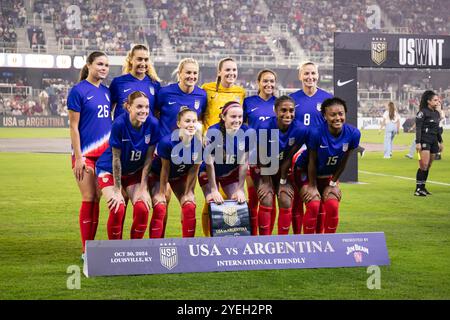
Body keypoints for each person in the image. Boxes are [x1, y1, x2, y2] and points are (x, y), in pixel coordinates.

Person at [95, 91, 159, 240]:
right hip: (109, 169)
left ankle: (134, 249)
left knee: (143, 208)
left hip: (133, 172)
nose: (144, 110)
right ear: (129, 107)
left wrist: (143, 188)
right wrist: (117, 190)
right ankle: (115, 250)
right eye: (139, 106)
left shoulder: (153, 124)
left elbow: (149, 158)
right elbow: (116, 158)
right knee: (117, 207)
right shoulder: (119, 124)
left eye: (147, 107)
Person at [291, 97, 361, 233]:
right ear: (324, 116)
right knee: (314, 204)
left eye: (341, 114)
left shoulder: (353, 134)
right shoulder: (316, 132)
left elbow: (344, 161)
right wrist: (312, 186)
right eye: (333, 114)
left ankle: (329, 246)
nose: (337, 118)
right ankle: (309, 245)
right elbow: (311, 161)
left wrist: (333, 184)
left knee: (333, 206)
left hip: (328, 175)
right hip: (305, 171)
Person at [67, 51, 111, 258]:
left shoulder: (107, 91)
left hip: (104, 156)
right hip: (85, 155)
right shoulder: (78, 91)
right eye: (100, 64)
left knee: (98, 199)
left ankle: (92, 248)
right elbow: (74, 127)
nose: (103, 68)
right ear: (89, 65)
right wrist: (78, 158)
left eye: (106, 65)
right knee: (89, 197)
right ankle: (86, 249)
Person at [200, 57, 246, 236]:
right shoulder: (207, 89)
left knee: (231, 200)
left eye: (234, 70)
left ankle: (227, 239)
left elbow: (239, 117)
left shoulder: (240, 92)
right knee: (211, 199)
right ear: (219, 72)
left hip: (230, 152)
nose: (231, 73)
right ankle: (207, 238)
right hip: (210, 145)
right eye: (227, 70)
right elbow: (199, 114)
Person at [252, 95, 308, 235]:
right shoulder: (264, 126)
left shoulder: (300, 129)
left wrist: (282, 181)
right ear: (275, 111)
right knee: (266, 198)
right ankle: (264, 241)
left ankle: (281, 242)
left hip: (282, 168)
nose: (288, 114)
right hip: (262, 166)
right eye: (283, 110)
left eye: (291, 110)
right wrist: (266, 182)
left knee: (286, 199)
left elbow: (289, 157)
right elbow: (261, 155)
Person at [148, 107, 202, 238]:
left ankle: (188, 247)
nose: (191, 124)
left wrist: (189, 192)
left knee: (189, 205)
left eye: (194, 121)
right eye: (187, 121)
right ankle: (155, 246)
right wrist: (161, 192)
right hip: (157, 175)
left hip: (178, 176)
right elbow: (164, 169)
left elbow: (194, 170)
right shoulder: (167, 142)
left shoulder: (199, 143)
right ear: (179, 124)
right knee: (160, 205)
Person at [199, 102, 249, 234]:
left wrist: (240, 189)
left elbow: (244, 164)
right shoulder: (213, 132)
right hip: (209, 172)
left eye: (240, 117)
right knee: (212, 201)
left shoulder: (248, 132)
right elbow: (209, 163)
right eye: (233, 117)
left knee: (237, 202)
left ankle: (231, 240)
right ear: (223, 116)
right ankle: (208, 239)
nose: (237, 120)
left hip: (230, 173)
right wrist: (214, 189)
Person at [243, 69, 277, 235]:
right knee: (253, 198)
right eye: (265, 81)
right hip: (252, 155)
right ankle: (253, 236)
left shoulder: (279, 104)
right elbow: (241, 126)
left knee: (270, 197)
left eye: (271, 81)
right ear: (258, 82)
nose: (269, 84)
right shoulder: (248, 102)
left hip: (273, 157)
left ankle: (267, 237)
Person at [156, 58, 207, 137]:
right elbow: (156, 114)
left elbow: (200, 119)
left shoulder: (202, 95)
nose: (192, 76)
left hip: (187, 146)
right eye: (188, 72)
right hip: (166, 145)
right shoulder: (164, 92)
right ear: (180, 73)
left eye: (195, 73)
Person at [109, 44, 161, 121]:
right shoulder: (118, 82)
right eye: (139, 59)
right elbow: (108, 110)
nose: (143, 63)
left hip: (146, 132)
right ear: (130, 59)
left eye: (146, 60)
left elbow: (156, 113)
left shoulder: (155, 84)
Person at [414, 90, 444, 196]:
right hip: (424, 141)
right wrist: (418, 143)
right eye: (435, 100)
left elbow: (437, 129)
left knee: (429, 165)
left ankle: (423, 187)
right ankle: (418, 189)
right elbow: (418, 128)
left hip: (433, 141)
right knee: (424, 165)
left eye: (438, 100)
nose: (437, 102)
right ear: (428, 101)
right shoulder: (422, 112)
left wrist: (440, 142)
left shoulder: (436, 113)